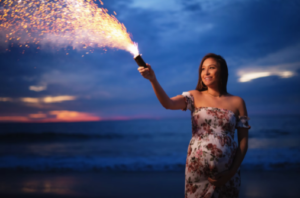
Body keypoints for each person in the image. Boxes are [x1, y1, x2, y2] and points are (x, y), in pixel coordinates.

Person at [137, 53, 250, 198]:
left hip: (227, 172)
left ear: (222, 71)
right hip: (197, 174)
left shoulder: (238, 102)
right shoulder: (194, 96)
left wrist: (231, 172)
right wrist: (153, 79)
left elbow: (243, 141)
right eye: (203, 69)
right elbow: (168, 104)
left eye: (212, 68)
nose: (206, 72)